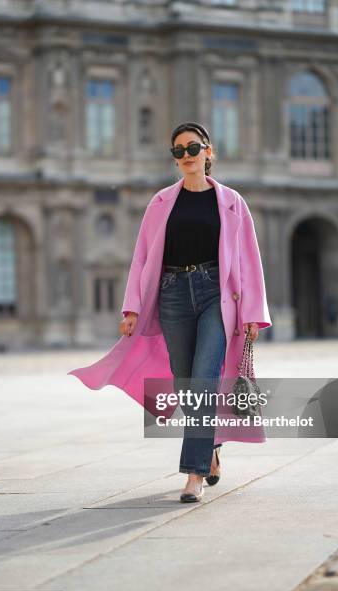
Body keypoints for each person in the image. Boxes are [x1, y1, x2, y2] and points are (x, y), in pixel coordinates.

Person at [119, 122, 265, 503]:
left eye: (193, 148)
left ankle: (194, 474)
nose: (186, 156)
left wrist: (253, 312)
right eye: (178, 151)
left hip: (217, 297)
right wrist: (132, 306)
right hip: (172, 296)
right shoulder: (161, 202)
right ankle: (211, 448)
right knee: (186, 385)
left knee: (202, 381)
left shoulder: (233, 202)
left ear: (209, 152)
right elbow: (143, 256)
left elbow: (249, 260)